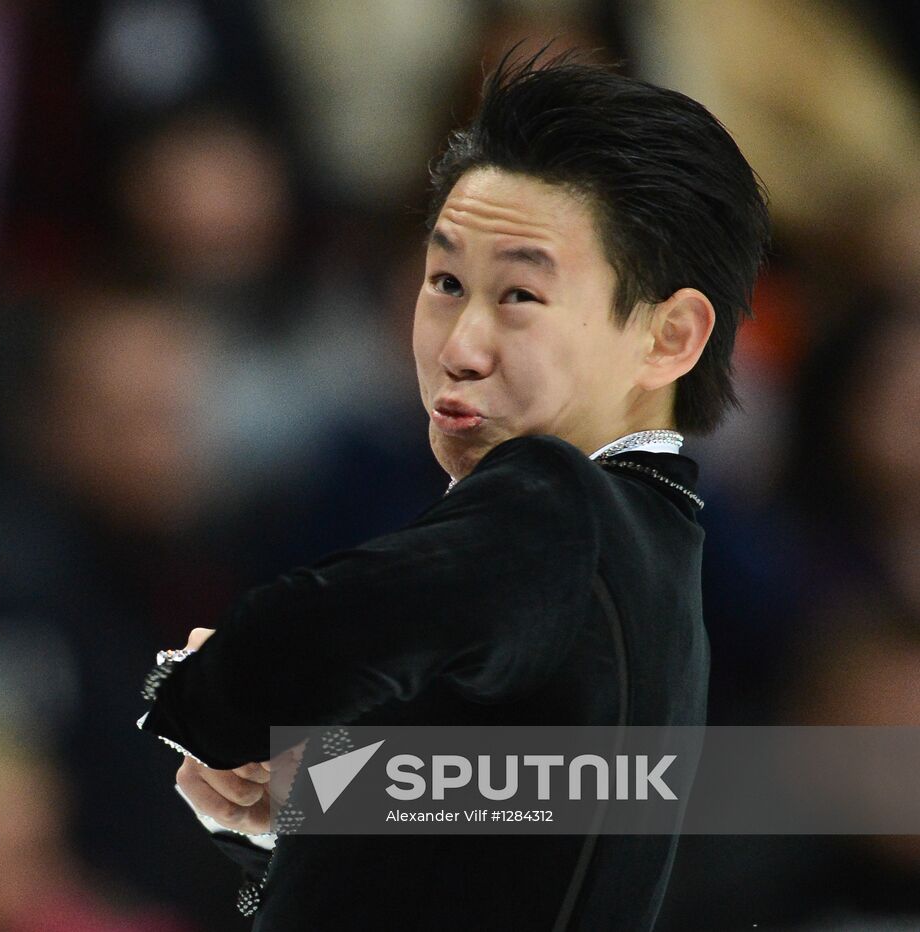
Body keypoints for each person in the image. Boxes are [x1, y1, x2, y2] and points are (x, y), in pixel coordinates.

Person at [135, 50, 769, 930]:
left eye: (518, 294)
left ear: (669, 336)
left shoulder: (557, 505)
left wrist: (198, 691)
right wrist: (312, 803)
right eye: (444, 283)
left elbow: (284, 656)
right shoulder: (659, 569)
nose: (459, 347)